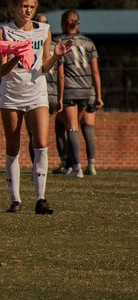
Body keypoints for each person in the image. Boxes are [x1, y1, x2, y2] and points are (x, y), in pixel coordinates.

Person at [0, 0, 70, 215]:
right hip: (11, 93)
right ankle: (15, 199)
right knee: (13, 145)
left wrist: (56, 55)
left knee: (41, 143)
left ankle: (41, 198)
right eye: (23, 6)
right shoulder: (5, 31)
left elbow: (44, 67)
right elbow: (2, 70)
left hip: (37, 92)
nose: (27, 11)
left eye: (31, 7)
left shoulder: (43, 31)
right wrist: (16, 56)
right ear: (14, 7)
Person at [57, 10, 102, 177]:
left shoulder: (59, 42)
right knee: (85, 127)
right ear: (78, 23)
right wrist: (98, 95)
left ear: (63, 23)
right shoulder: (88, 43)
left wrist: (59, 97)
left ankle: (75, 167)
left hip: (70, 89)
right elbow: (96, 72)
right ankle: (89, 164)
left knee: (71, 127)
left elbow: (60, 74)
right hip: (86, 90)